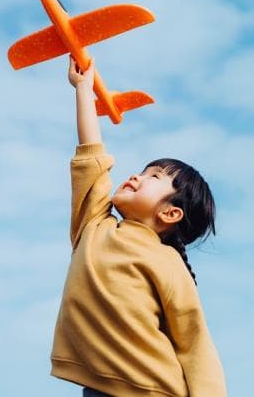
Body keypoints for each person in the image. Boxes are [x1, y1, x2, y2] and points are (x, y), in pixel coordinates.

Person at [50, 57, 227, 397]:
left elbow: (195, 344)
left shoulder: (167, 263)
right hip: (100, 386)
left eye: (154, 178)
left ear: (171, 214)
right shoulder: (94, 226)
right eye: (142, 171)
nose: (135, 176)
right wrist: (84, 90)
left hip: (156, 390)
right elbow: (91, 159)